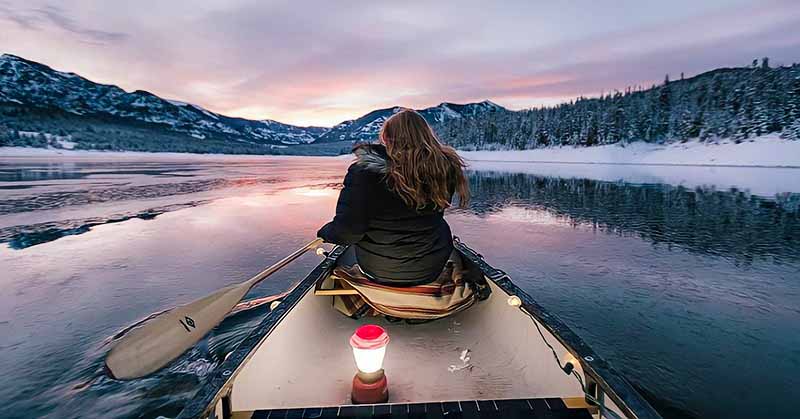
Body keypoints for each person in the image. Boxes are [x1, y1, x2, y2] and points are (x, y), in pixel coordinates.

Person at [317, 109, 487, 320]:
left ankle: (374, 297)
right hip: (430, 270)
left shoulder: (364, 172)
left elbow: (347, 233)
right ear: (426, 135)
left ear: (387, 139)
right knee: (441, 230)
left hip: (378, 271)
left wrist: (325, 232)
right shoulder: (445, 169)